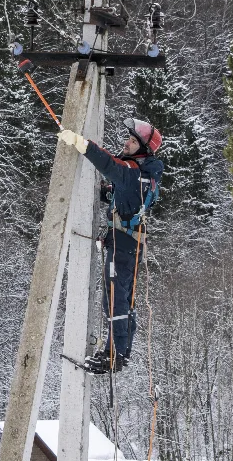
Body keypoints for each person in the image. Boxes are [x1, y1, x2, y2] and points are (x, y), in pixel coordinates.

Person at [58, 118, 164, 374]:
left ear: (142, 149)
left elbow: (109, 163)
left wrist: (81, 143)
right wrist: (108, 192)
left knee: (115, 301)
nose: (126, 143)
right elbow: (121, 190)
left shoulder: (133, 173)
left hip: (123, 247)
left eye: (132, 141)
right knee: (123, 301)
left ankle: (114, 354)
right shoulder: (143, 175)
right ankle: (120, 352)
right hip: (127, 244)